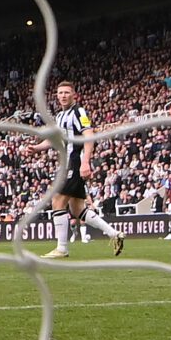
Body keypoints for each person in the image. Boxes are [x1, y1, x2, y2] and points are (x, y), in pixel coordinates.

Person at [40, 80, 123, 259]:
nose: (63, 95)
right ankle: (114, 234)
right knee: (77, 210)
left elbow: (88, 135)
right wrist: (37, 147)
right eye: (60, 93)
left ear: (74, 95)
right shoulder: (60, 116)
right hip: (68, 163)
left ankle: (62, 248)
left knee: (57, 201)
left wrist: (85, 162)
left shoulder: (79, 112)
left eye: (66, 92)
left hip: (75, 163)